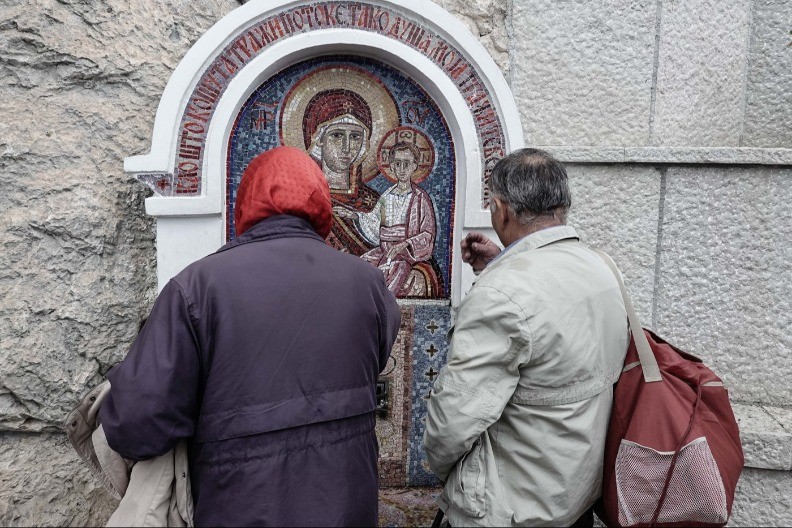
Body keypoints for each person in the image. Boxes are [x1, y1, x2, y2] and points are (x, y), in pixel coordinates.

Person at [99, 146, 401, 527]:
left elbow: (138, 425)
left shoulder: (197, 287)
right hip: (346, 505)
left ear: (245, 203)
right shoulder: (370, 284)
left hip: (240, 506)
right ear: (322, 203)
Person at [423, 148, 629, 527]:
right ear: (561, 205)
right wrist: (503, 261)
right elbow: (552, 330)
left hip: (510, 508)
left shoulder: (502, 293)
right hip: (574, 499)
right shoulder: (603, 269)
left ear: (500, 209)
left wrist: (436, 466)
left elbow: (453, 421)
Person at [335, 141, 439, 297]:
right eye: (398, 164)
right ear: (392, 166)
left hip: (404, 257)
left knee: (388, 284)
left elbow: (427, 233)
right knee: (358, 270)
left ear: (414, 166)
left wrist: (405, 244)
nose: (402, 169)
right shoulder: (387, 195)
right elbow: (375, 221)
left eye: (406, 163)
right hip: (383, 251)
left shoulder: (420, 199)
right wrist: (354, 215)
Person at [303, 88, 382, 255]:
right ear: (319, 139)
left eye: (355, 137)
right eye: (337, 135)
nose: (347, 148)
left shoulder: (373, 203)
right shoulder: (301, 198)